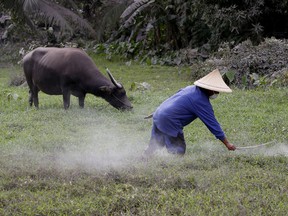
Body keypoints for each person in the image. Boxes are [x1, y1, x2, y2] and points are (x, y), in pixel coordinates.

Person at [143, 69, 236, 157]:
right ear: (210, 89)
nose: (217, 93)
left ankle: (144, 158)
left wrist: (158, 112)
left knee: (155, 144)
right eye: (216, 91)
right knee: (178, 151)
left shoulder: (190, 88)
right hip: (169, 120)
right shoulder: (200, 101)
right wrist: (227, 143)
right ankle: (171, 167)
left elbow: (173, 99)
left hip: (159, 113)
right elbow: (213, 124)